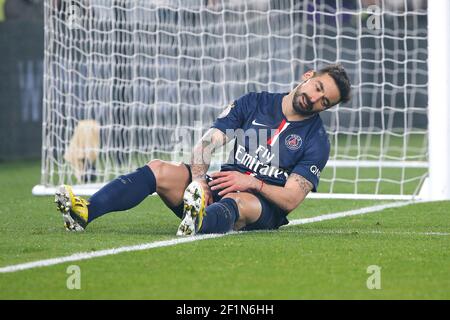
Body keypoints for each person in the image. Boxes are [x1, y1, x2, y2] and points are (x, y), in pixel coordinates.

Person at [55, 64, 352, 236]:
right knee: (160, 169)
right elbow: (209, 141)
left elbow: (289, 200)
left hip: (260, 206)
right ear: (308, 76)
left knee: (240, 199)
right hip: (215, 188)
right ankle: (85, 212)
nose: (315, 99)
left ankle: (199, 220)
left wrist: (253, 182)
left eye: (325, 101)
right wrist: (198, 180)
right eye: (318, 87)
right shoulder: (255, 103)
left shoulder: (316, 141)